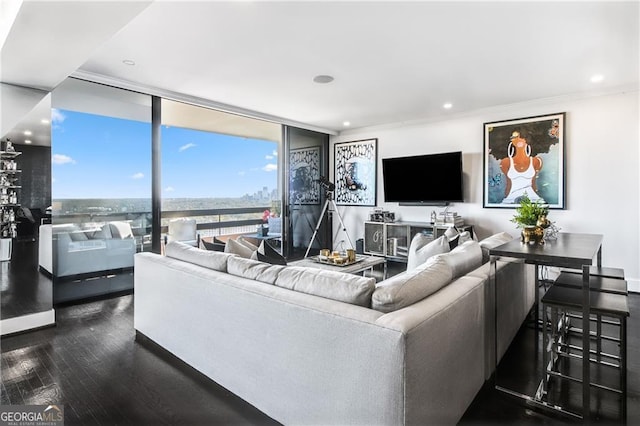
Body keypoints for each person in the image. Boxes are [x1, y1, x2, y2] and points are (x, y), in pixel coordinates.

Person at [500, 130, 543, 203]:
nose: (518, 139)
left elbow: (533, 183)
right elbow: (508, 184)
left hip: (533, 200)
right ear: (511, 141)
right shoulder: (505, 162)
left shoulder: (536, 161)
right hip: (511, 200)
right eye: (515, 137)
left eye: (521, 137)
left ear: (526, 139)